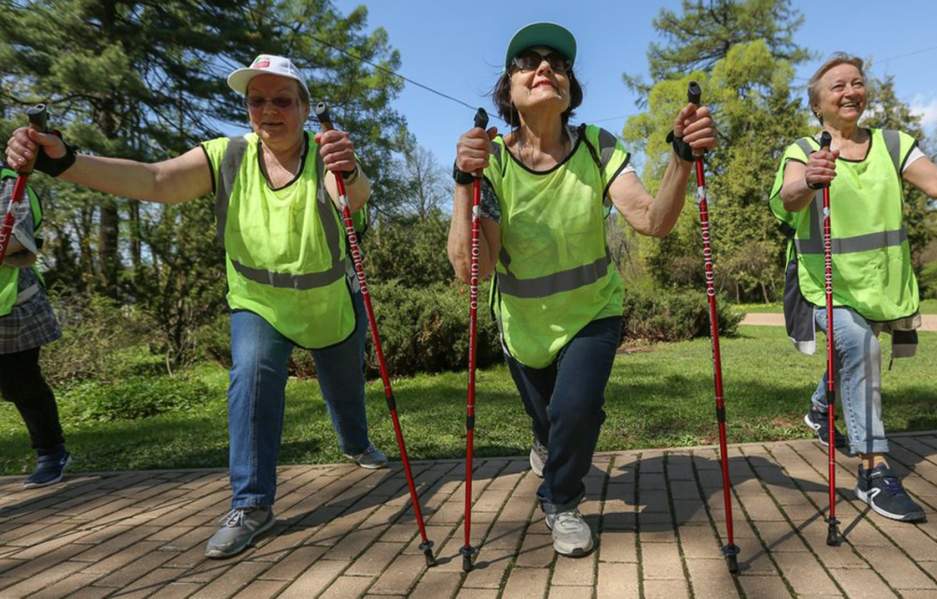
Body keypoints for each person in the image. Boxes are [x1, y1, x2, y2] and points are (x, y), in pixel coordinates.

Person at [5, 54, 388, 558]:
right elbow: (155, 180)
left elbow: (358, 198)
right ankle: (251, 504)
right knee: (249, 381)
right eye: (256, 100)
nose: (268, 110)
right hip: (258, 302)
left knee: (345, 393)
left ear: (303, 107)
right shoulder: (227, 155)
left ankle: (356, 443)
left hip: (329, 302)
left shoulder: (328, 154)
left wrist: (352, 168)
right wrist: (64, 161)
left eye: (282, 100)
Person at [448, 22, 716, 556]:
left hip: (595, 310)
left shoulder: (597, 147)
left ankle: (561, 501)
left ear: (570, 87)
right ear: (509, 88)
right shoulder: (493, 162)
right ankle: (548, 445)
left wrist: (682, 159)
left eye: (559, 63)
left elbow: (652, 219)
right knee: (550, 421)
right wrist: (463, 183)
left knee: (578, 408)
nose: (546, 67)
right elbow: (471, 269)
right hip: (521, 324)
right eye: (529, 61)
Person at [769, 53, 937, 522]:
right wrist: (810, 179)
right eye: (838, 86)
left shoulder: (894, 145)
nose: (851, 91)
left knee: (858, 352)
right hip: (821, 285)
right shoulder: (804, 149)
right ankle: (874, 470)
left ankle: (819, 407)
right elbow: (788, 194)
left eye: (857, 83)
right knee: (859, 344)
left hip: (881, 282)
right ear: (817, 105)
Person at [0, 160, 69, 488]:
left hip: (15, 306)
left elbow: (18, 241)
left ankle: (51, 452)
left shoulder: (10, 185)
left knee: (21, 385)